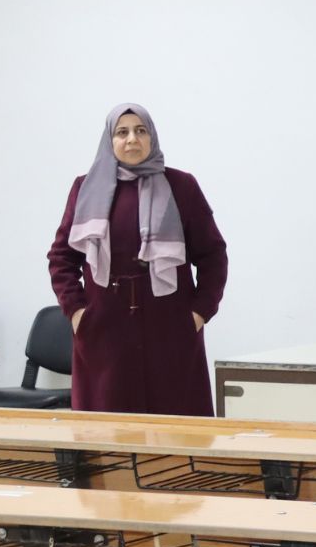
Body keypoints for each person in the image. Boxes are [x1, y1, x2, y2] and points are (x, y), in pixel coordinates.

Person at [49, 103, 228, 415]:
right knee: (108, 429)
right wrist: (77, 312)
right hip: (104, 329)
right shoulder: (85, 188)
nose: (132, 139)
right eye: (122, 132)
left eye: (140, 130)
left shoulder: (181, 186)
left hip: (170, 328)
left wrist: (199, 312)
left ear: (151, 137)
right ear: (110, 140)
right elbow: (62, 257)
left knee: (176, 426)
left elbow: (213, 255)